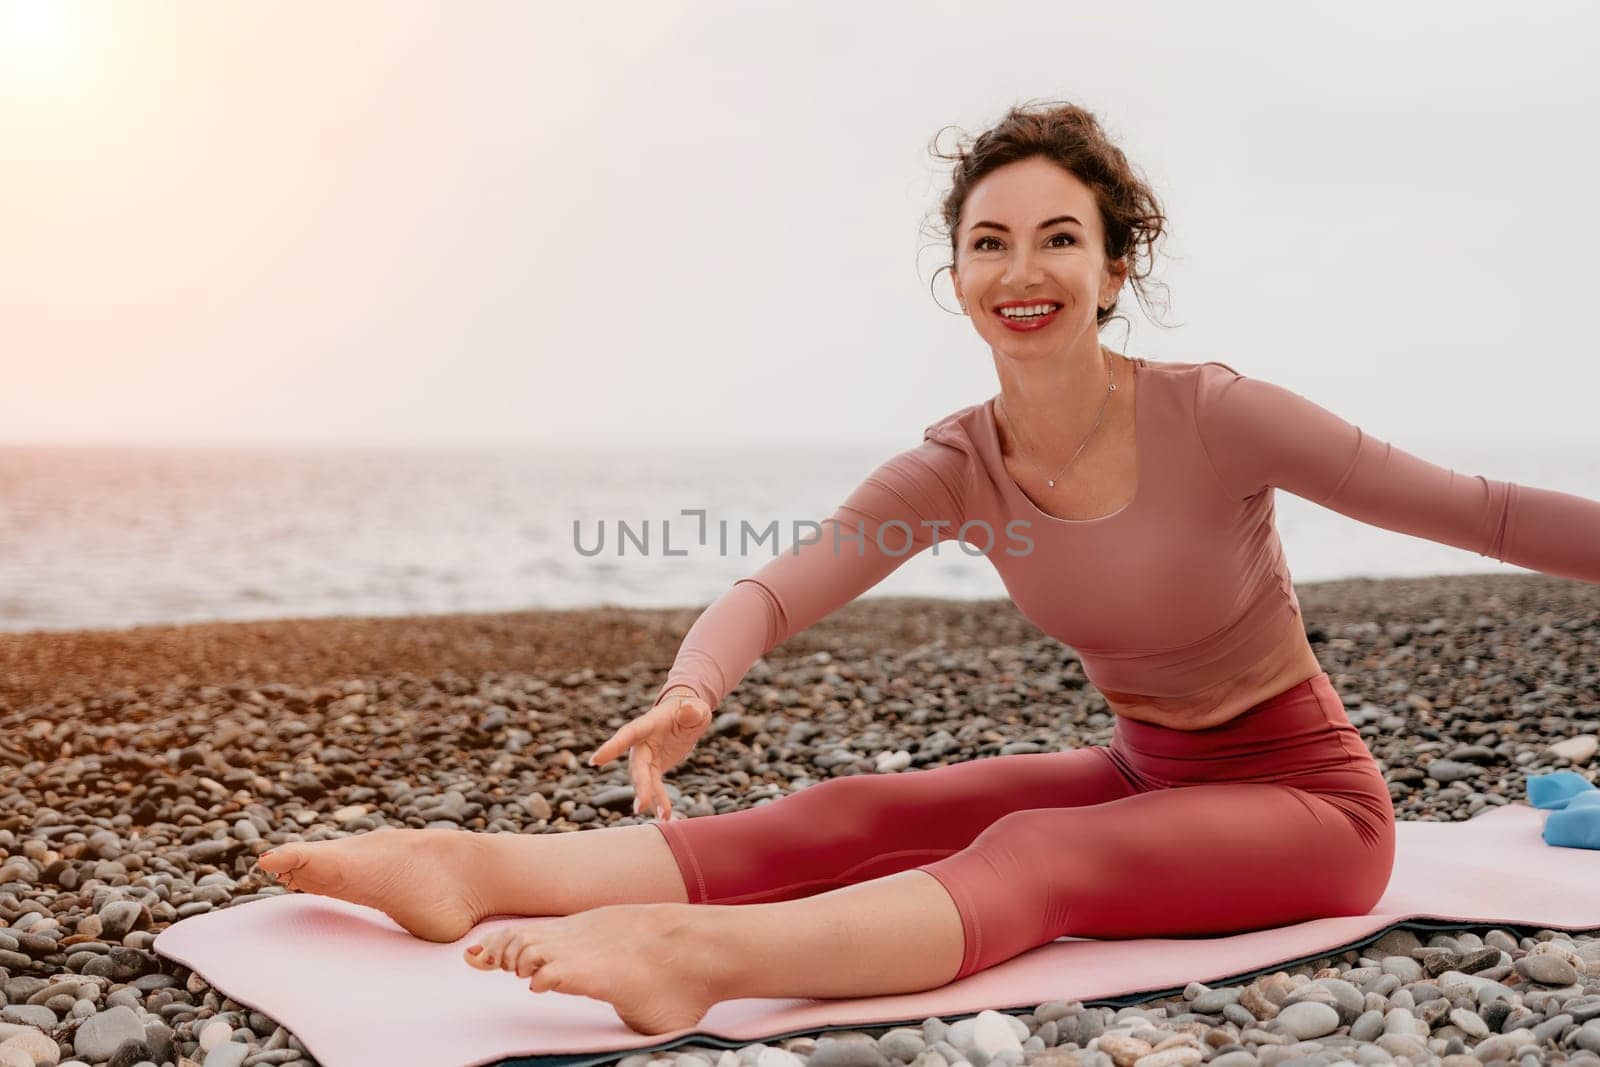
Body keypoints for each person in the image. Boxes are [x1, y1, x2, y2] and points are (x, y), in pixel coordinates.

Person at [257, 100, 1600, 1036]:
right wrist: (695, 690)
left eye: (1059, 238)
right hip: (1150, 771)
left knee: (1039, 854)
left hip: (1311, 805)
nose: (1025, 270)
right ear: (957, 273)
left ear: (1116, 267)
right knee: (850, 811)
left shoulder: (1216, 414)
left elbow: (1474, 511)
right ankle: (471, 867)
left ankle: (695, 961)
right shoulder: (958, 465)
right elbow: (784, 583)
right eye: (991, 241)